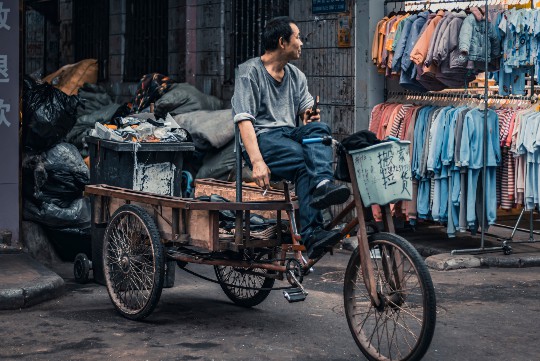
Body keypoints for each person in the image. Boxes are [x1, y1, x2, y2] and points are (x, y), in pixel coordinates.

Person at [231, 16, 351, 259]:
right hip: (262, 139)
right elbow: (245, 122)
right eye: (298, 38)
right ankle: (311, 233)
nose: (301, 43)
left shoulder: (296, 76)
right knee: (302, 160)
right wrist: (257, 162)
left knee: (321, 130)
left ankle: (322, 185)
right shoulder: (249, 73)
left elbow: (307, 114)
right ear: (282, 42)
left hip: (288, 135)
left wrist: (310, 116)